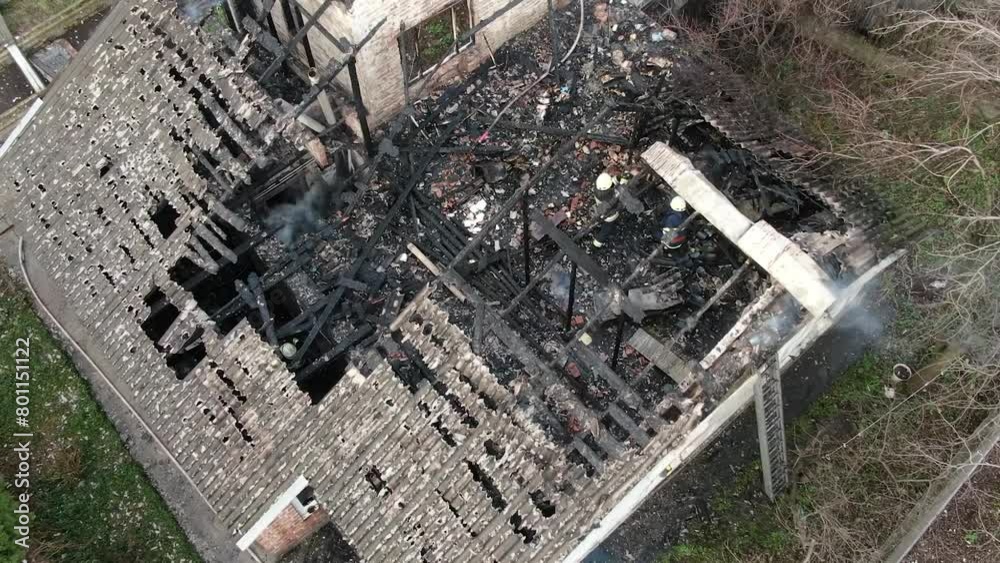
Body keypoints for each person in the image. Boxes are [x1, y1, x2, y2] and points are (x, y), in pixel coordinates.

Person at [592, 167, 623, 248]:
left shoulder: (598, 187)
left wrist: (618, 178)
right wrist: (621, 187)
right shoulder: (608, 198)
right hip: (610, 215)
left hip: (602, 209)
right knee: (607, 229)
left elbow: (610, 183)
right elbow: (615, 197)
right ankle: (597, 243)